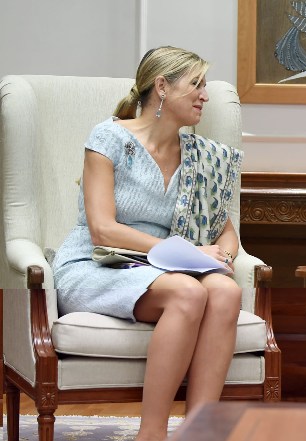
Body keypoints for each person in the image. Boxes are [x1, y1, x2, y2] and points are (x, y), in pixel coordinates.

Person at [52, 46, 243, 441]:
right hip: (97, 263)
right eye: (196, 84)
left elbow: (223, 227)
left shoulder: (198, 155)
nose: (205, 95)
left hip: (165, 266)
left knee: (224, 291)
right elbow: (104, 230)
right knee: (188, 294)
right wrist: (190, 254)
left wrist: (222, 254)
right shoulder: (108, 138)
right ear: (161, 87)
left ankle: (198, 432)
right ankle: (151, 434)